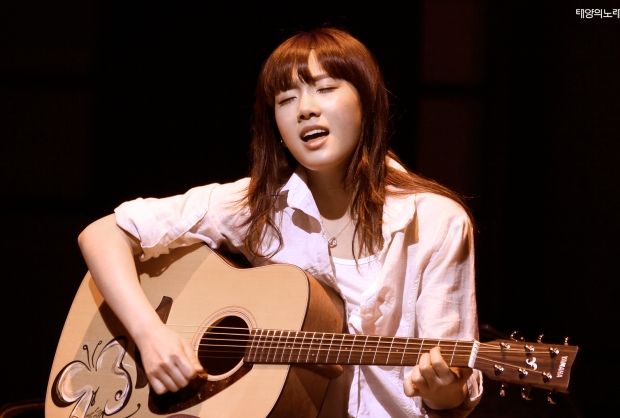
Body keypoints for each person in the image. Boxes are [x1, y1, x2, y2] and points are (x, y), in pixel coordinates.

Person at [78, 27, 482, 418]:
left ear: (368, 103)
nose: (305, 109)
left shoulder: (435, 221)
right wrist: (150, 334)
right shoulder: (258, 205)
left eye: (325, 89)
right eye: (286, 99)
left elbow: (450, 391)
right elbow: (103, 233)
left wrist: (443, 389)